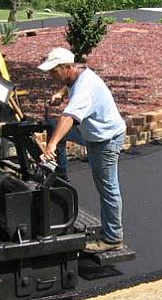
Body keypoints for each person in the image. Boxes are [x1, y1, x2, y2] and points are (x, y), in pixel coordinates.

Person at [38, 47, 127, 252]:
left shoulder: (84, 88)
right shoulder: (77, 74)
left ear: (67, 68)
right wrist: (60, 93)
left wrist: (50, 145)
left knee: (107, 187)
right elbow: (73, 79)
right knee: (53, 127)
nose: (51, 75)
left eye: (54, 71)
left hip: (105, 139)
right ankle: (62, 176)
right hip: (92, 132)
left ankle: (113, 238)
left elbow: (69, 117)